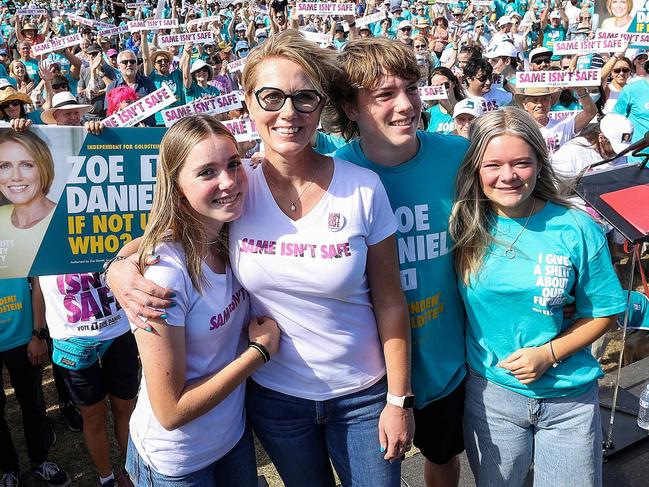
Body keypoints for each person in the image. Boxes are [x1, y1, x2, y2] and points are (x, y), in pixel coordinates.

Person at [107, 30, 413, 487]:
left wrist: (398, 399)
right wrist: (118, 268)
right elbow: (166, 232)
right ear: (248, 103)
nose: (289, 112)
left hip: (362, 397)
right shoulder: (237, 186)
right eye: (272, 97)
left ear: (321, 107)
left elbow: (390, 302)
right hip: (276, 398)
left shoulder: (363, 188)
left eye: (305, 98)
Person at [448, 107, 625, 487]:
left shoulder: (576, 226)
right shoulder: (463, 225)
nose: (508, 176)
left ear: (539, 164)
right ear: (475, 169)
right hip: (492, 397)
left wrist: (548, 354)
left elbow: (604, 312)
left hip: (569, 400)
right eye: (493, 164)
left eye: (521, 163)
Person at [331, 37, 469, 487]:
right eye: (385, 94)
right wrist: (124, 259)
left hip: (448, 361)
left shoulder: (457, 155)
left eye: (411, 88)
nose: (406, 104)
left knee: (444, 459)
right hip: (369, 377)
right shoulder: (332, 174)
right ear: (351, 109)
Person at [117, 115, 280, 486]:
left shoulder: (231, 231)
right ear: (176, 188)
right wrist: (259, 353)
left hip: (233, 440)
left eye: (233, 164)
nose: (228, 182)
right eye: (207, 172)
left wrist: (116, 263)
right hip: (179, 462)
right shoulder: (164, 274)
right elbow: (170, 411)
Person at [34, 268, 138, 487]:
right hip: (72, 339)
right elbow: (37, 286)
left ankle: (134, 474)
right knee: (92, 418)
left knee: (125, 411)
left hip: (118, 331)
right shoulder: (40, 238)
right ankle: (106, 478)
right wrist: (38, 333)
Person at [0, 278, 71, 487]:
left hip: (23, 337)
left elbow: (37, 281)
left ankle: (40, 461)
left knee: (33, 403)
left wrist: (38, 334)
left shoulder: (17, 243)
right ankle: (8, 469)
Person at [0, 129, 57, 277]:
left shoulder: (64, 220)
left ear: (44, 168)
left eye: (26, 165)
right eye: (4, 166)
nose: (16, 177)